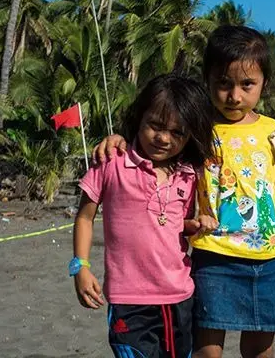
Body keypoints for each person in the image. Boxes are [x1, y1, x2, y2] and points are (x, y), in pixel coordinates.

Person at [91, 25, 275, 358]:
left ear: (264, 82)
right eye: (223, 83)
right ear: (207, 79)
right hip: (213, 257)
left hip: (268, 262)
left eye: (247, 84)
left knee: (261, 350)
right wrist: (118, 139)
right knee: (206, 349)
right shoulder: (195, 127)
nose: (234, 96)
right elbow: (155, 144)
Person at [71, 74, 218, 358]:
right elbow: (85, 218)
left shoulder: (189, 174)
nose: (163, 138)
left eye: (177, 132)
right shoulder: (111, 161)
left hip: (180, 296)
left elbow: (173, 225)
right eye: (155, 126)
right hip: (129, 300)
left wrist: (195, 225)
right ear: (139, 117)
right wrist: (81, 267)